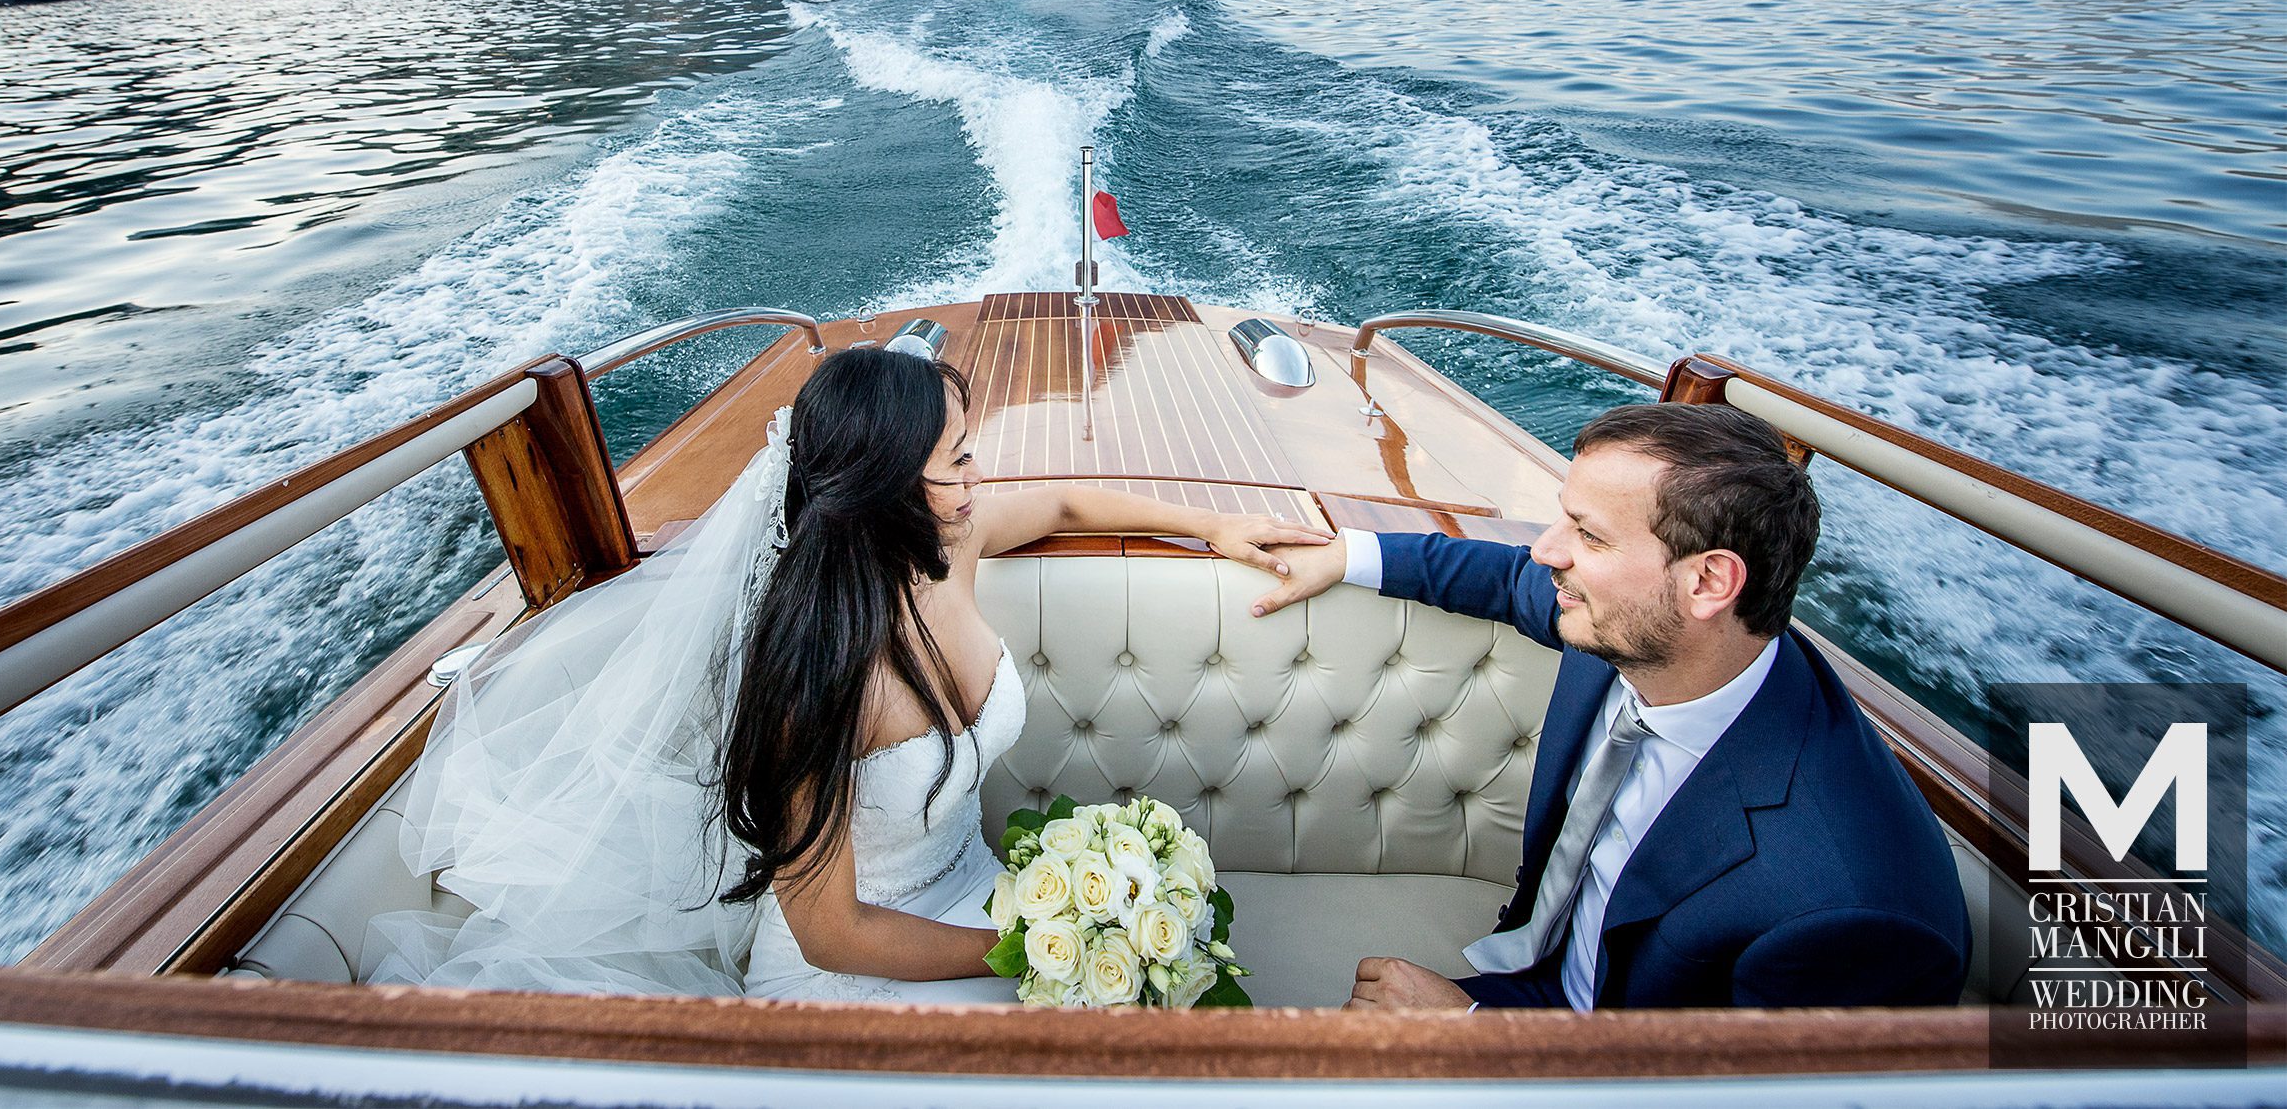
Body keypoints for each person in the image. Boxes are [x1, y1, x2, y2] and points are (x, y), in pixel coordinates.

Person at [368, 345, 1325, 1000]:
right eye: (959, 459)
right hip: (864, 959)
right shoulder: (816, 677)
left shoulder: (954, 539)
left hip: (984, 893)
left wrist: (1209, 526)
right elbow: (833, 932)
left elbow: (1067, 498)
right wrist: (1031, 950)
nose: (979, 476)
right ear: (887, 485)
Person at [1220, 401, 1970, 1010]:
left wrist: (1477, 1037)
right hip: (1527, 970)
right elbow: (1508, 579)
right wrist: (1346, 555)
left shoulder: (1847, 909)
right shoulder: (1647, 628)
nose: (1547, 551)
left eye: (1587, 534)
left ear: (1709, 582)